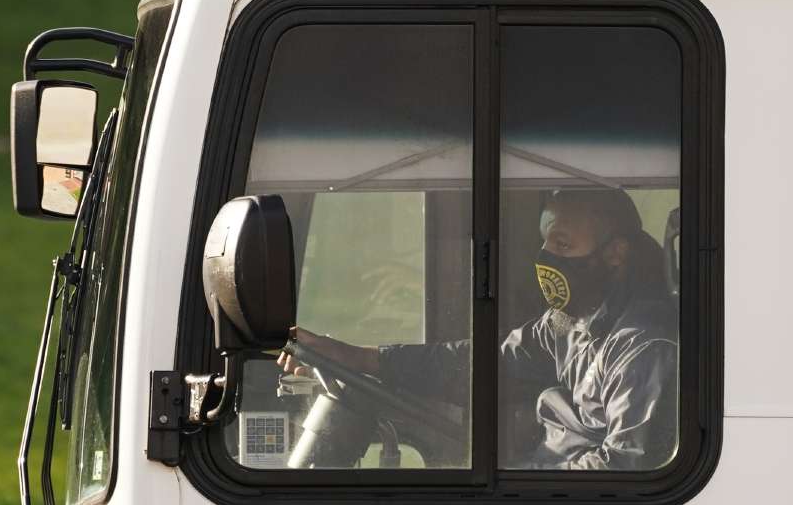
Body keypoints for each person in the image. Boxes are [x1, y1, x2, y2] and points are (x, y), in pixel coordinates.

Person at [279, 188, 679, 470]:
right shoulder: (573, 323)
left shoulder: (644, 346)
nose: (546, 258)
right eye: (545, 243)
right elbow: (484, 363)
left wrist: (518, 484)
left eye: (563, 245)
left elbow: (626, 469)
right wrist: (360, 357)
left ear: (616, 253)